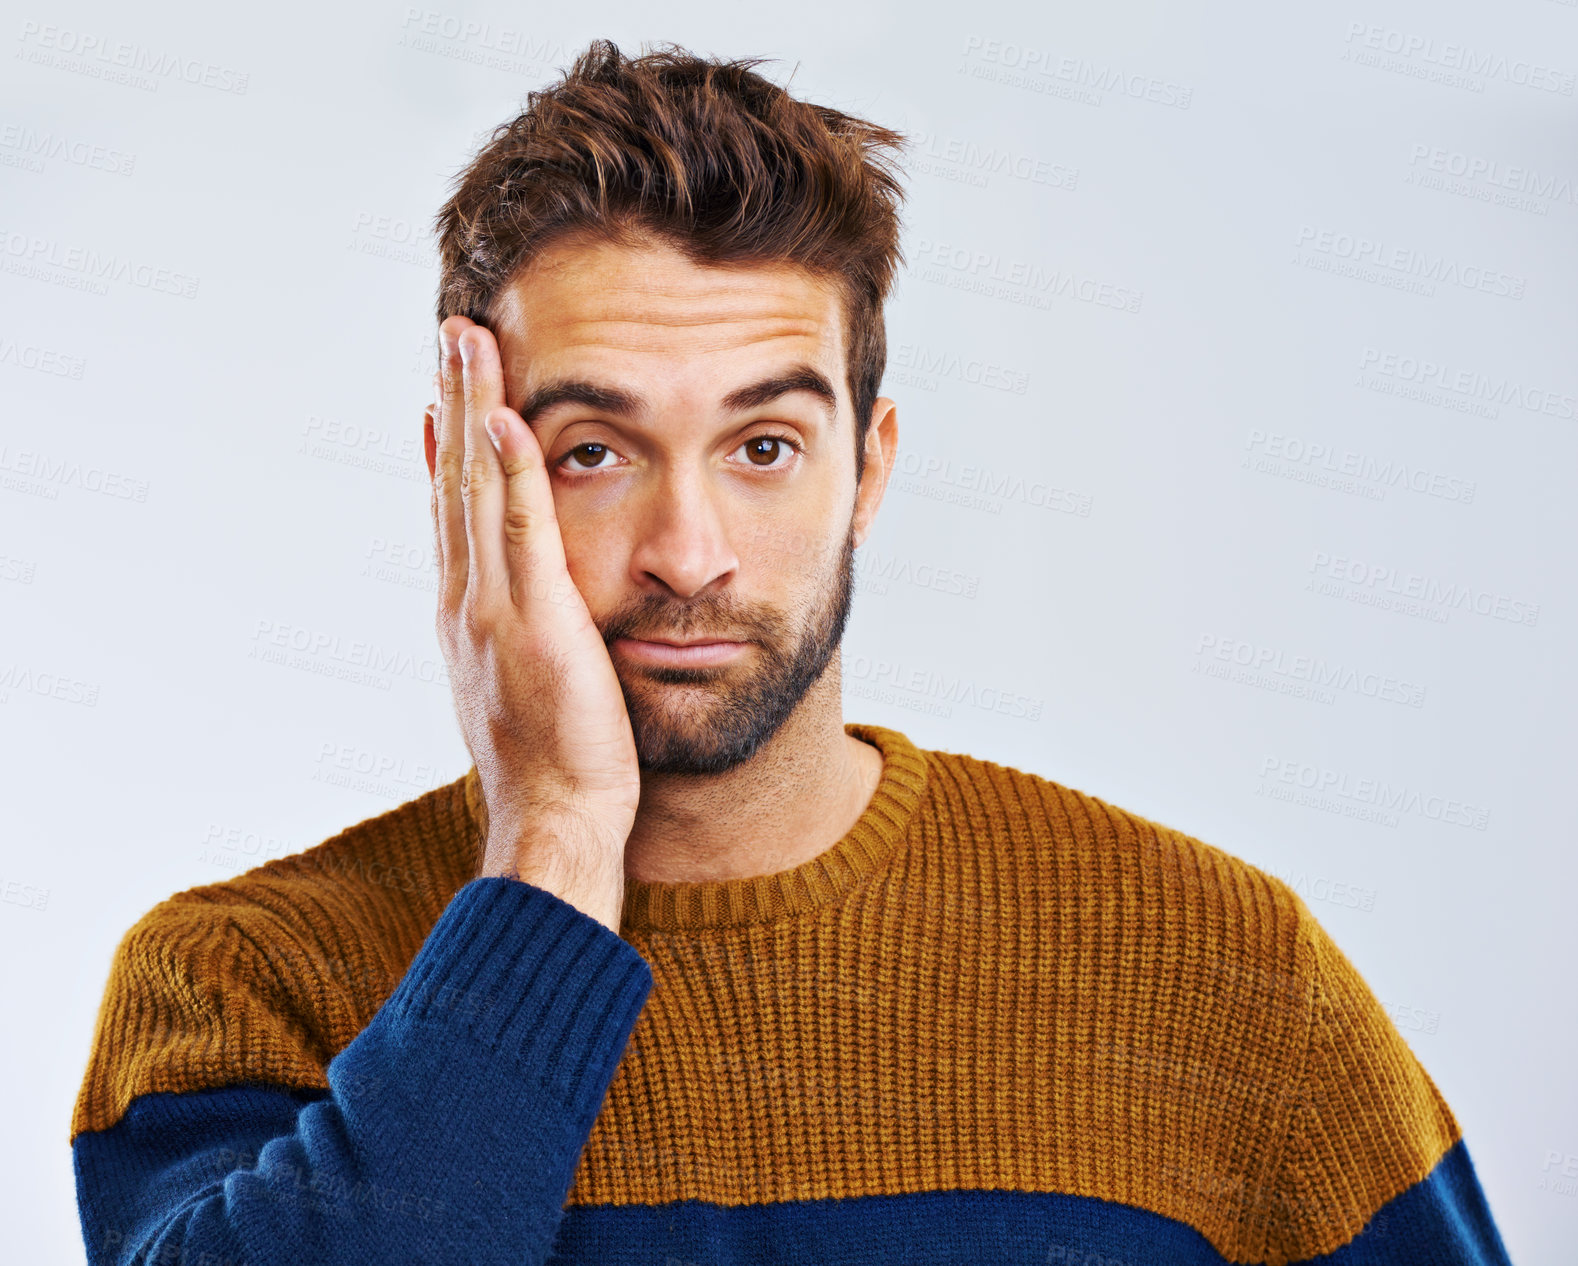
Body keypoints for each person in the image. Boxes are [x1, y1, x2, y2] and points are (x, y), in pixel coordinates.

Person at [70, 39, 1513, 1266]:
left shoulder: (1222, 972)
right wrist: (558, 842)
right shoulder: (242, 988)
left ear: (867, 469)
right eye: (592, 451)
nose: (686, 550)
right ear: (462, 472)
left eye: (763, 446)